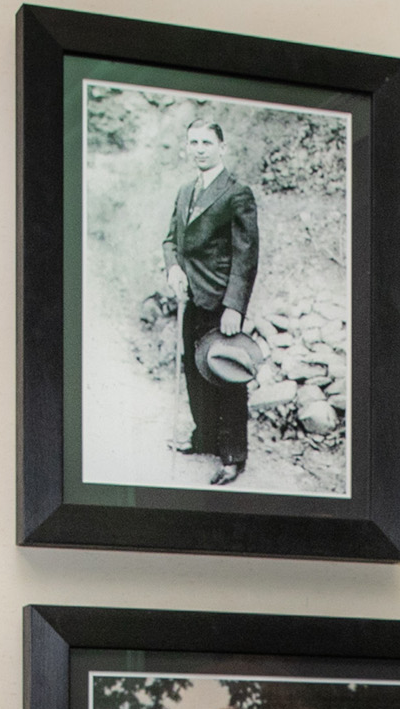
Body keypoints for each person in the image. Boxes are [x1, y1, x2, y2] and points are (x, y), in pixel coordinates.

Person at [161, 113, 259, 486]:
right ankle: (204, 438)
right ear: (187, 148)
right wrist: (173, 269)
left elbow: (246, 255)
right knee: (194, 372)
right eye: (194, 143)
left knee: (226, 376)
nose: (199, 149)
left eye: (206, 142)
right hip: (190, 298)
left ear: (222, 147)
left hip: (220, 301)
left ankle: (233, 456)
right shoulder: (185, 190)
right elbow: (171, 239)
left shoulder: (237, 192)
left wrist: (235, 306)